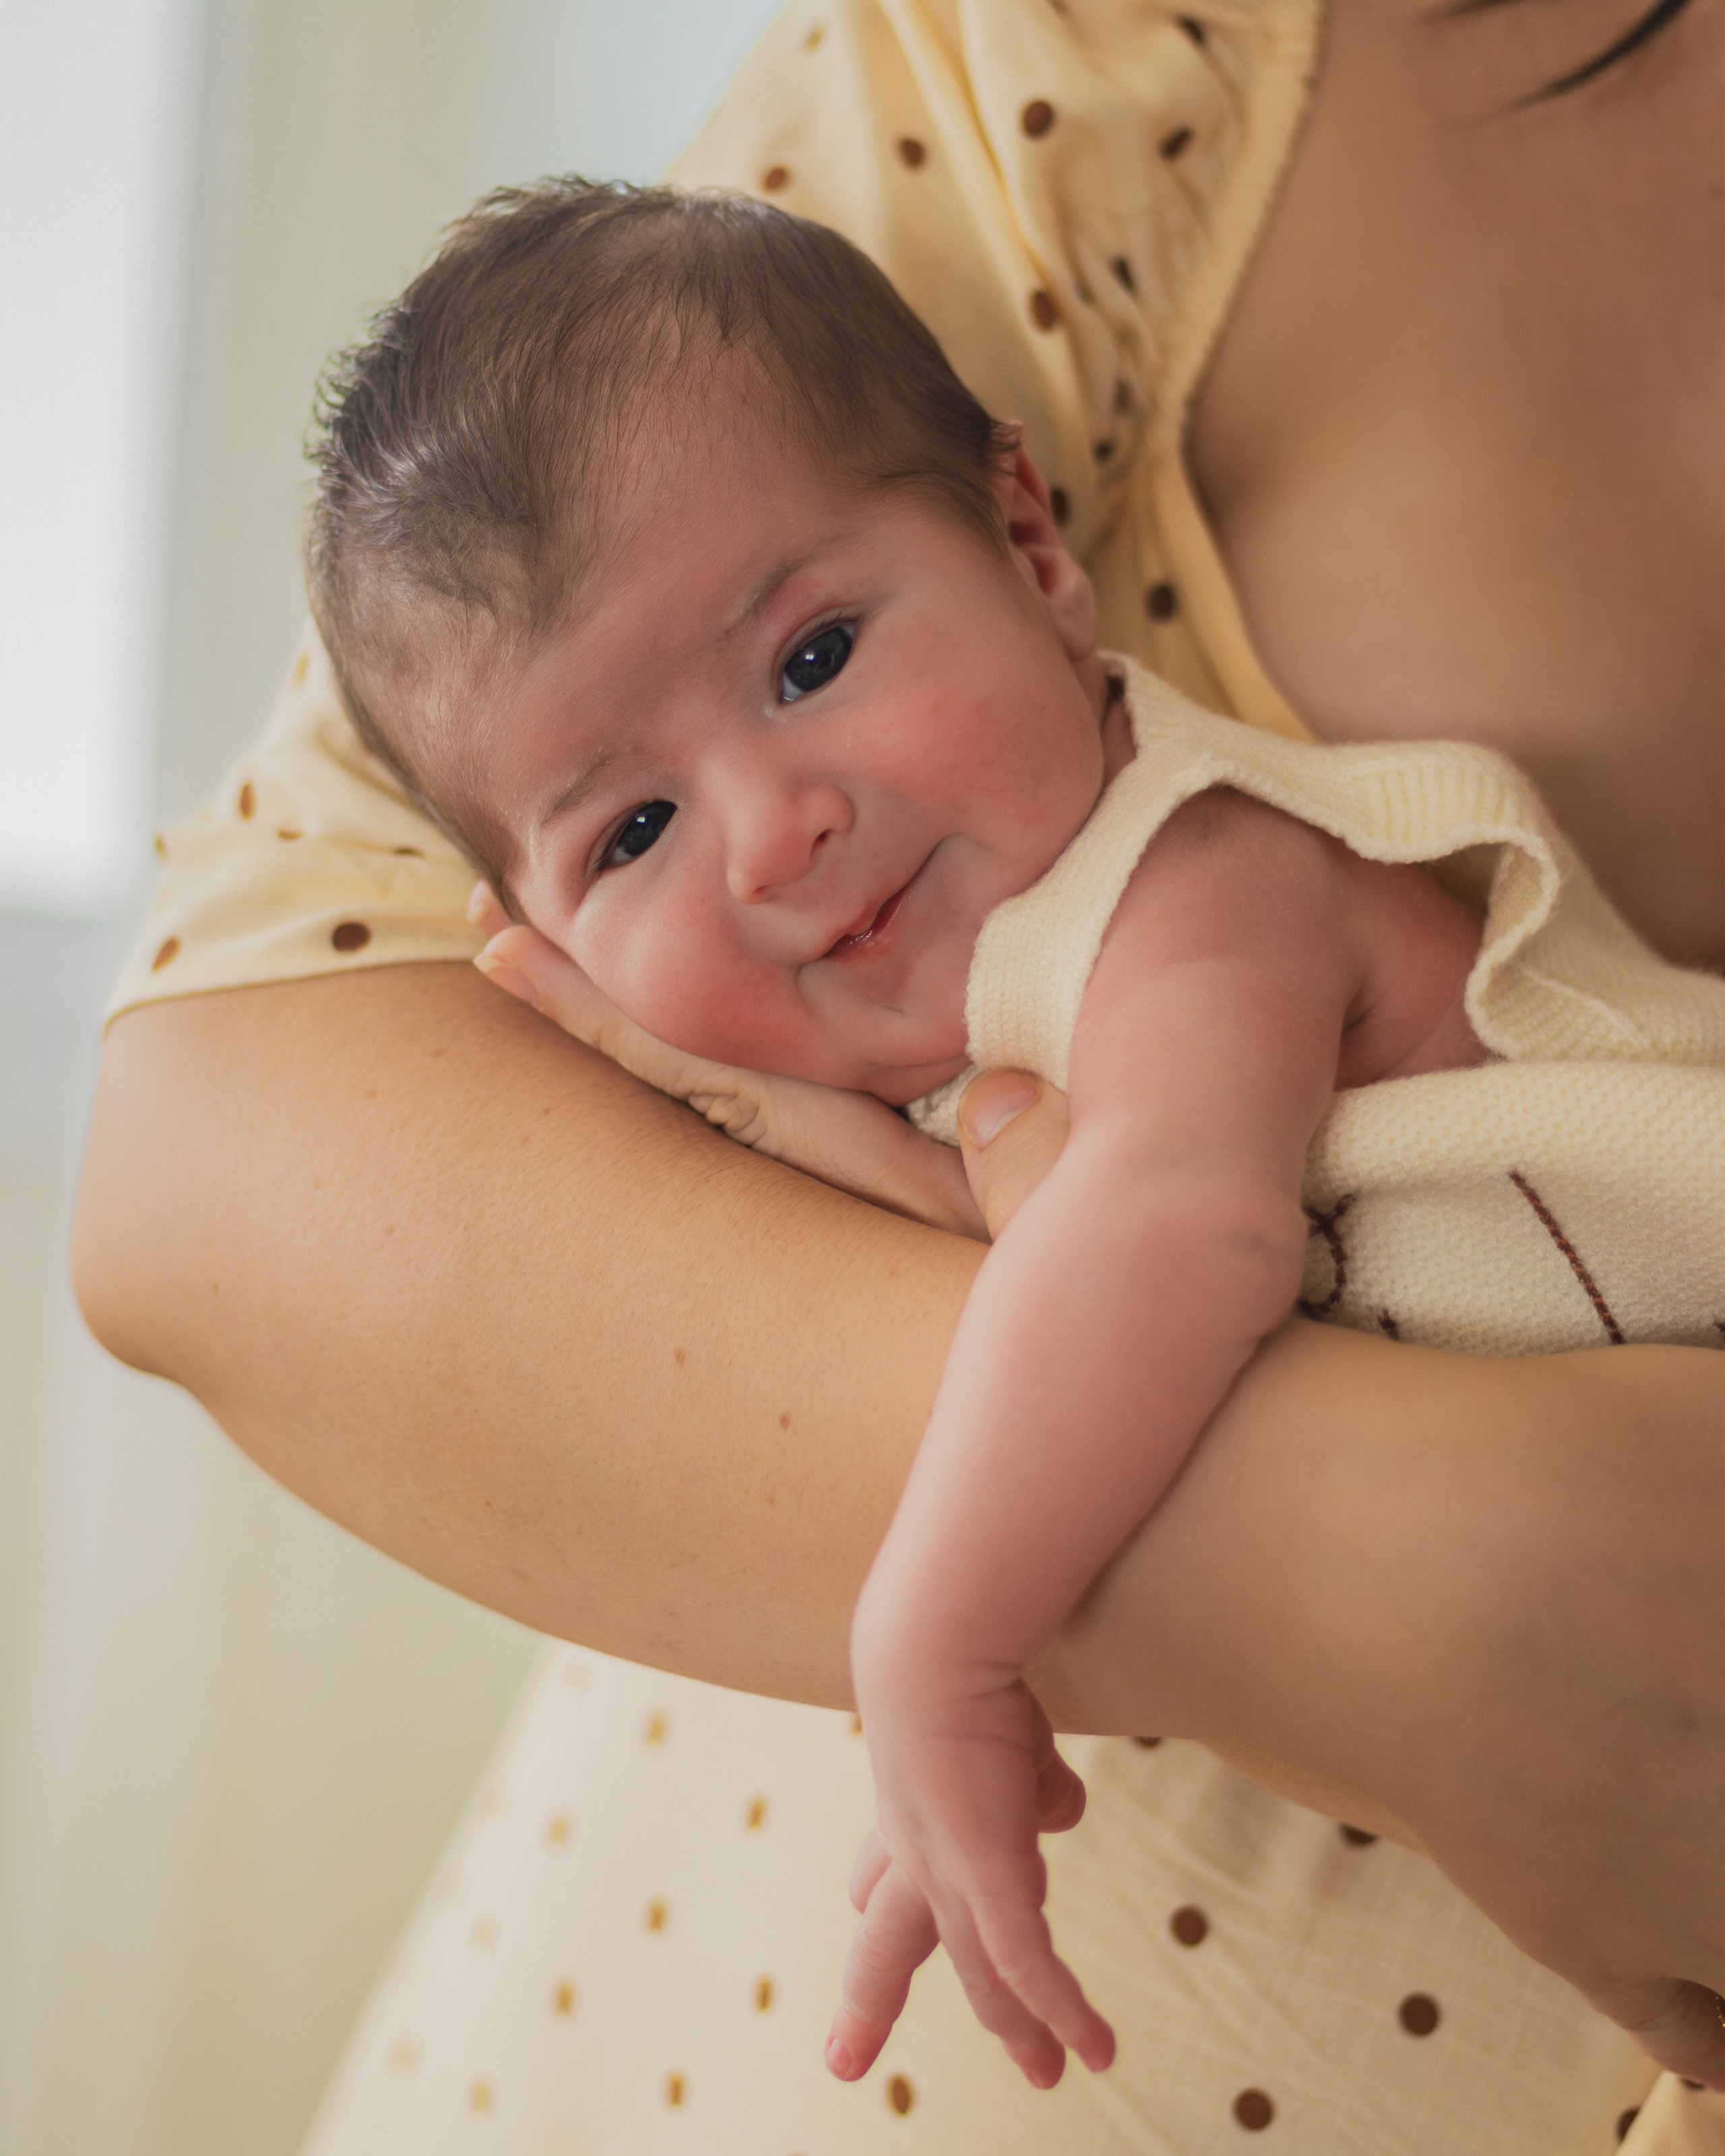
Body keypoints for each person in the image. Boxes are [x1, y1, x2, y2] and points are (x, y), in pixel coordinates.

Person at [71, 3, 1724, 2150]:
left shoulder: (1198, 877)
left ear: (1034, 552)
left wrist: (938, 1647)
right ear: (543, 939)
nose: (773, 835)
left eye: (817, 659)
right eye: (631, 834)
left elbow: (1177, 1230)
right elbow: (219, 1128)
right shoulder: (1094, 66)